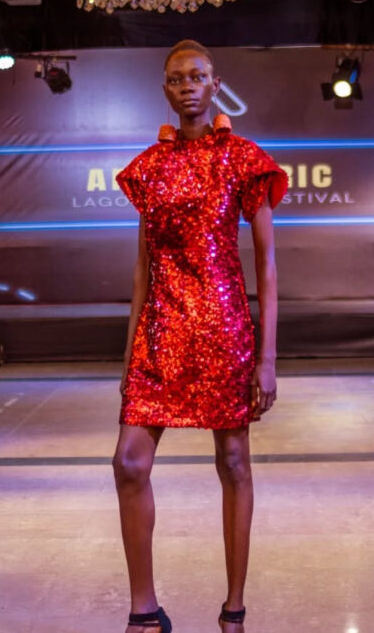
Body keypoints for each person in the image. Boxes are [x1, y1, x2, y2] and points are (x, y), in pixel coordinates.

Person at [112, 40, 287, 633]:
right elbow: (142, 268)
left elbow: (266, 264)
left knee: (234, 461)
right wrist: (129, 349)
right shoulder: (149, 168)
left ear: (216, 85)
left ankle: (234, 608)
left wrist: (267, 357)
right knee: (128, 462)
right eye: (176, 78)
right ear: (164, 88)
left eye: (198, 76)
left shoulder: (243, 158)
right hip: (160, 333)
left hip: (223, 331)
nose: (187, 85)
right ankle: (144, 609)